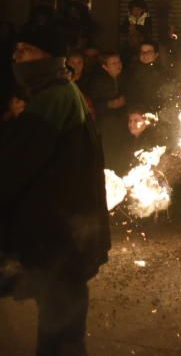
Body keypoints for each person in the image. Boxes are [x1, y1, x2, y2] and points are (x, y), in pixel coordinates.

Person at [1, 24, 110, 356]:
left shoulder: (55, 97)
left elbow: (16, 166)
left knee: (60, 334)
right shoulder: (57, 93)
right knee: (60, 327)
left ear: (48, 56)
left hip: (62, 237)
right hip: (66, 234)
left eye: (26, 50)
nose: (16, 57)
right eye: (16, 50)